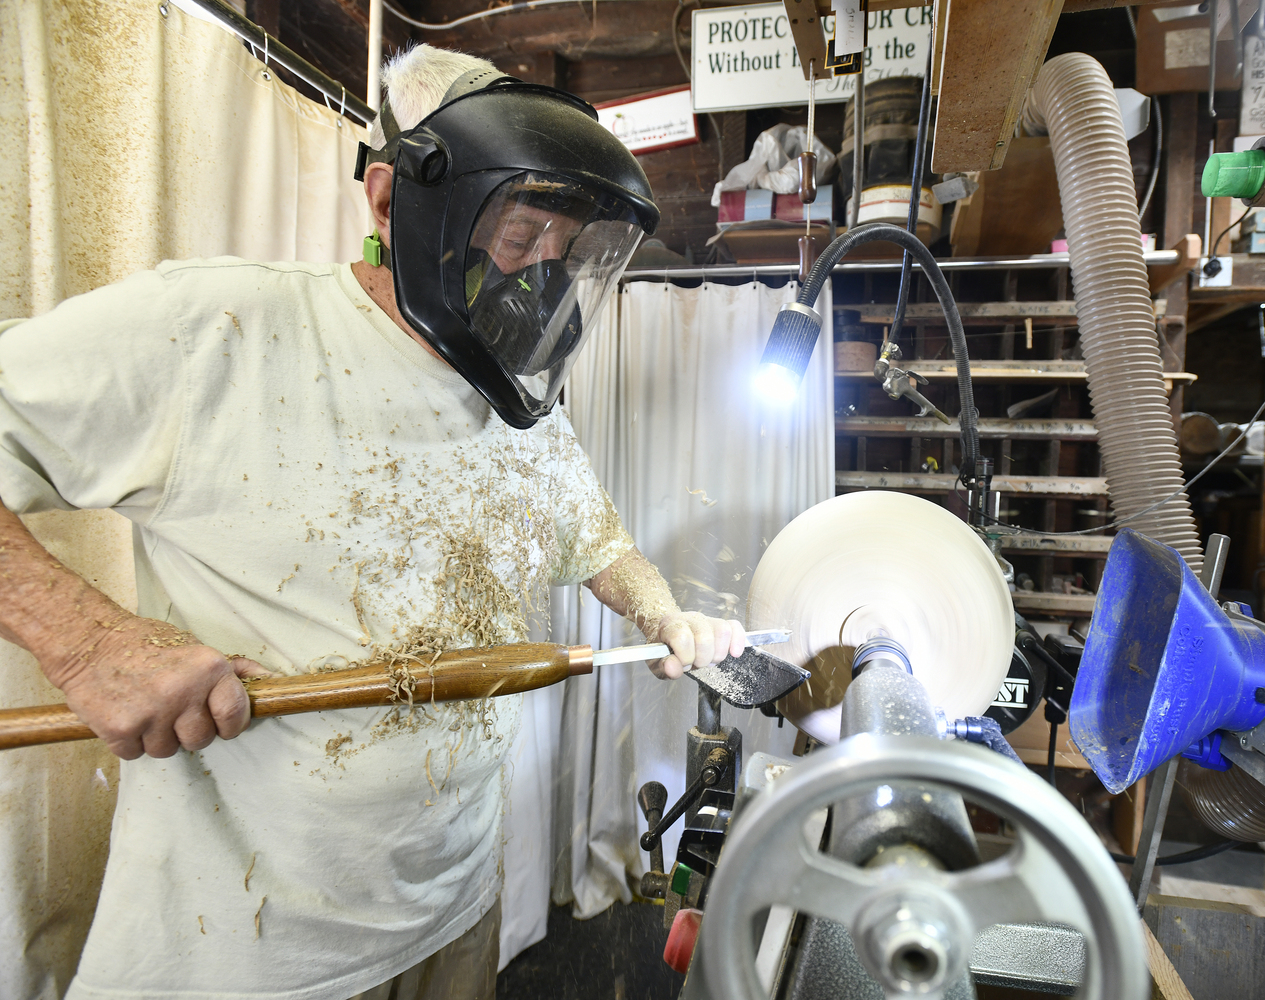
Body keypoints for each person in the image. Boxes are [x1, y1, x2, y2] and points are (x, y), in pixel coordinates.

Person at [0, 45, 743, 1000]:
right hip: (251, 952)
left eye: (567, 248)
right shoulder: (219, 329)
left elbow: (594, 541)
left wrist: (663, 612)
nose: (540, 281)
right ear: (394, 202)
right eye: (520, 236)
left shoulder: (520, 398)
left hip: (455, 908)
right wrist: (87, 640)